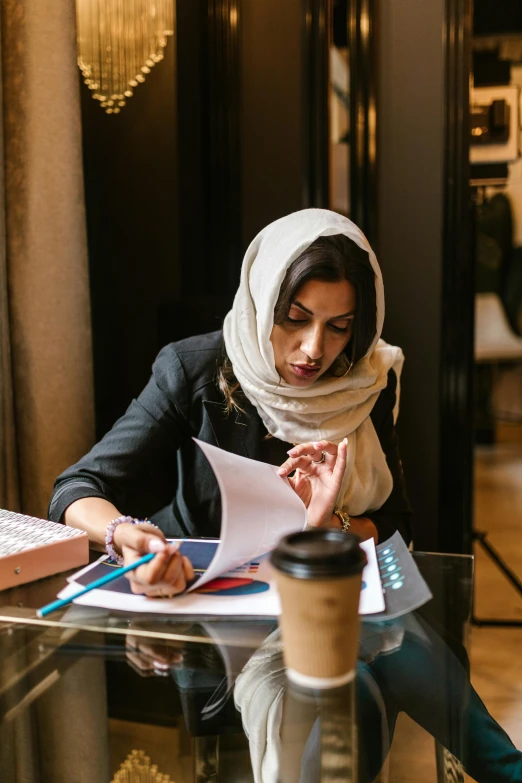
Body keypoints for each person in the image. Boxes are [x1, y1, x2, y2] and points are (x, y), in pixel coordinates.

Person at [49, 208, 412, 595]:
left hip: (310, 596)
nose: (314, 349)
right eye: (294, 317)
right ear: (260, 304)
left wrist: (323, 526)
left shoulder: (365, 382)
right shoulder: (193, 369)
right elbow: (77, 487)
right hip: (189, 590)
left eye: (339, 327)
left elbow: (396, 524)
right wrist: (125, 537)